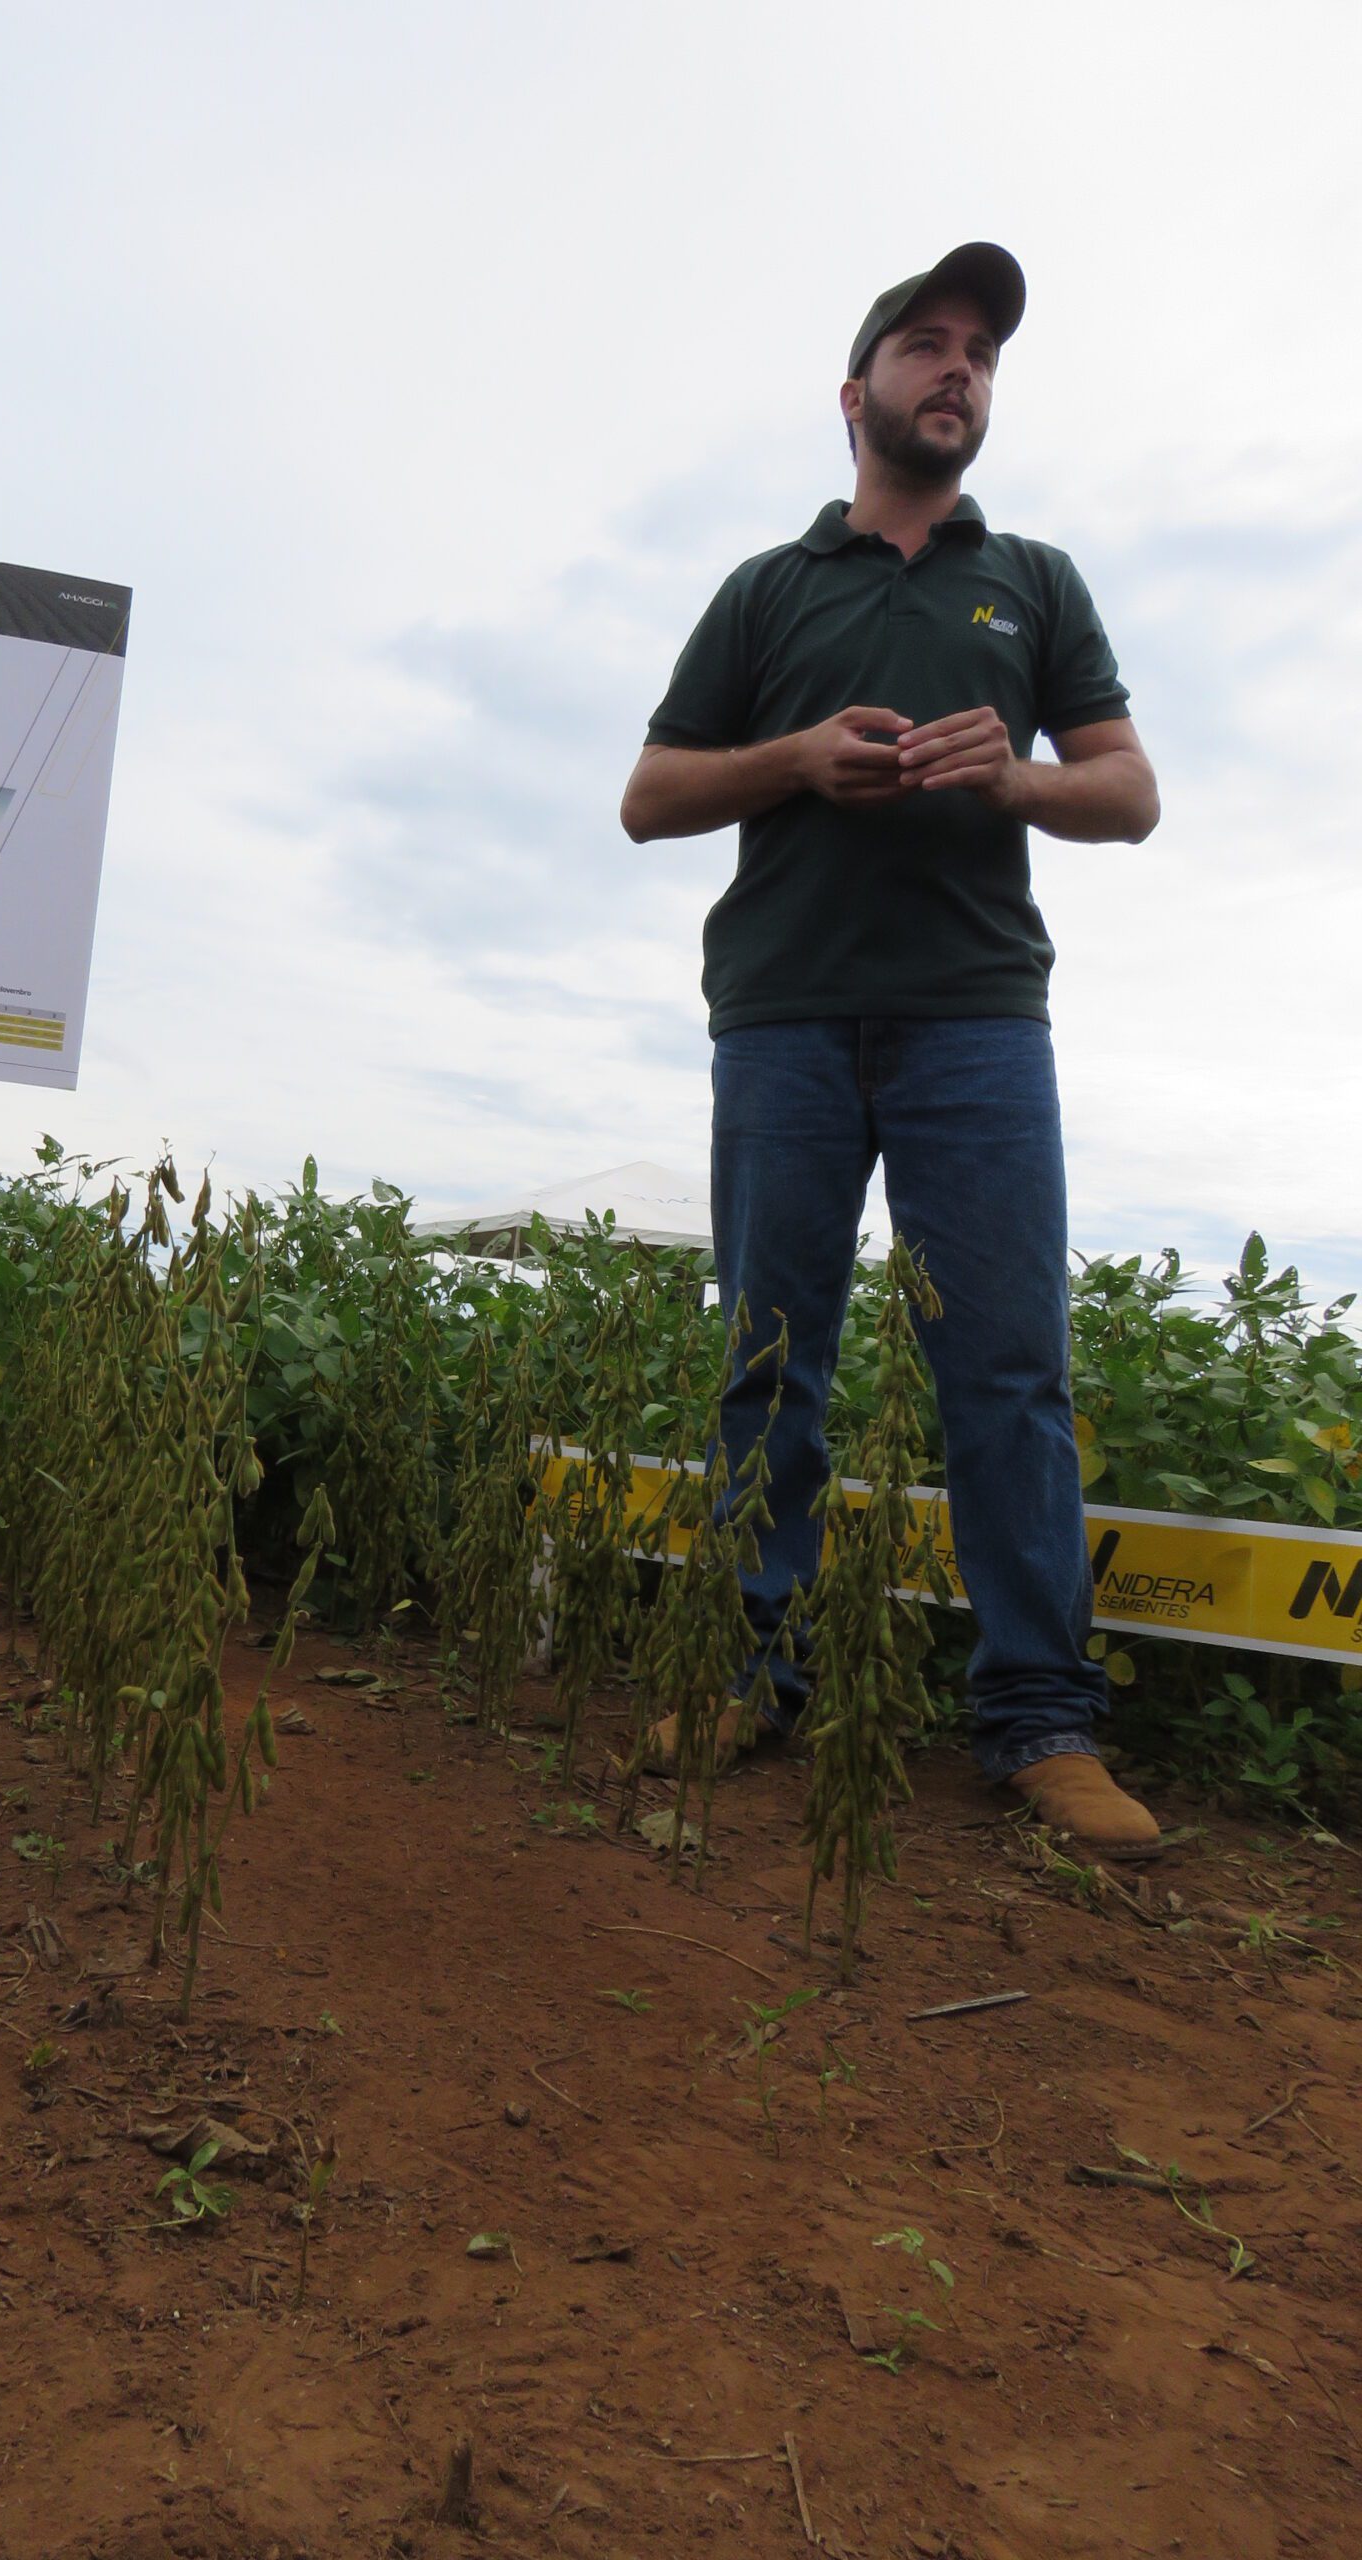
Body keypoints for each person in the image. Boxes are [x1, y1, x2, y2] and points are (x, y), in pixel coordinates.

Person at [620, 242, 1162, 1858]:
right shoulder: (768, 592)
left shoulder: (1038, 583)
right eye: (929, 347)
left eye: (982, 356)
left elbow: (1129, 793)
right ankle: (748, 1674)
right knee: (771, 1363)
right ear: (858, 397)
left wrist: (1014, 783)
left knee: (1008, 1373)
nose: (961, 373)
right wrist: (791, 758)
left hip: (979, 1024)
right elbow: (650, 795)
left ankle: (1040, 1723)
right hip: (782, 1019)